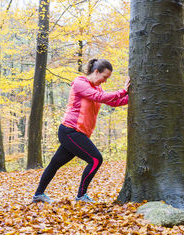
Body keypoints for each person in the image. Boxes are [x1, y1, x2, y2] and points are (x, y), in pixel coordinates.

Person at [32, 58, 130, 203]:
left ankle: (38, 195)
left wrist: (131, 97)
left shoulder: (97, 88)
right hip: (70, 131)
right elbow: (99, 97)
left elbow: (112, 101)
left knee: (55, 163)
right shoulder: (80, 83)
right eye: (104, 77)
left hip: (78, 133)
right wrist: (122, 91)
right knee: (96, 159)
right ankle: (81, 196)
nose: (105, 81)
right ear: (96, 72)